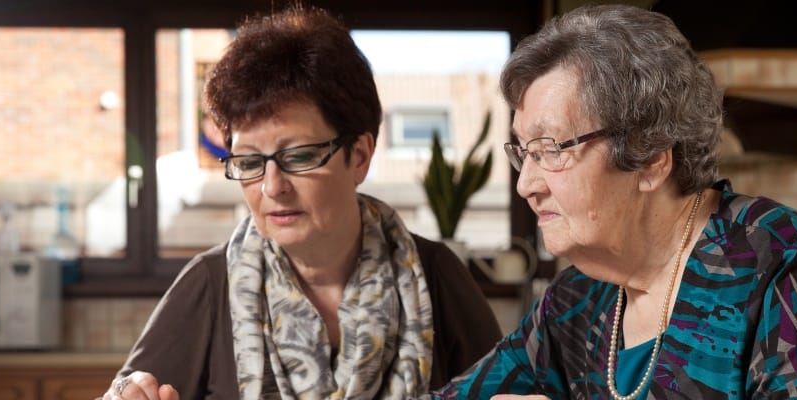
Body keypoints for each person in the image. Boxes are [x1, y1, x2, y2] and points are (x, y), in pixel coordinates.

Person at [432, 4, 797, 399]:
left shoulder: (776, 258)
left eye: (551, 149)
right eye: (525, 153)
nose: (526, 184)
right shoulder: (577, 300)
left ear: (649, 158)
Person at [100, 5, 502, 400]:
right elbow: (129, 389)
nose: (272, 187)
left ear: (359, 156)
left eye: (298, 156)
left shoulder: (437, 277)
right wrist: (126, 392)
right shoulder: (209, 283)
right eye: (250, 161)